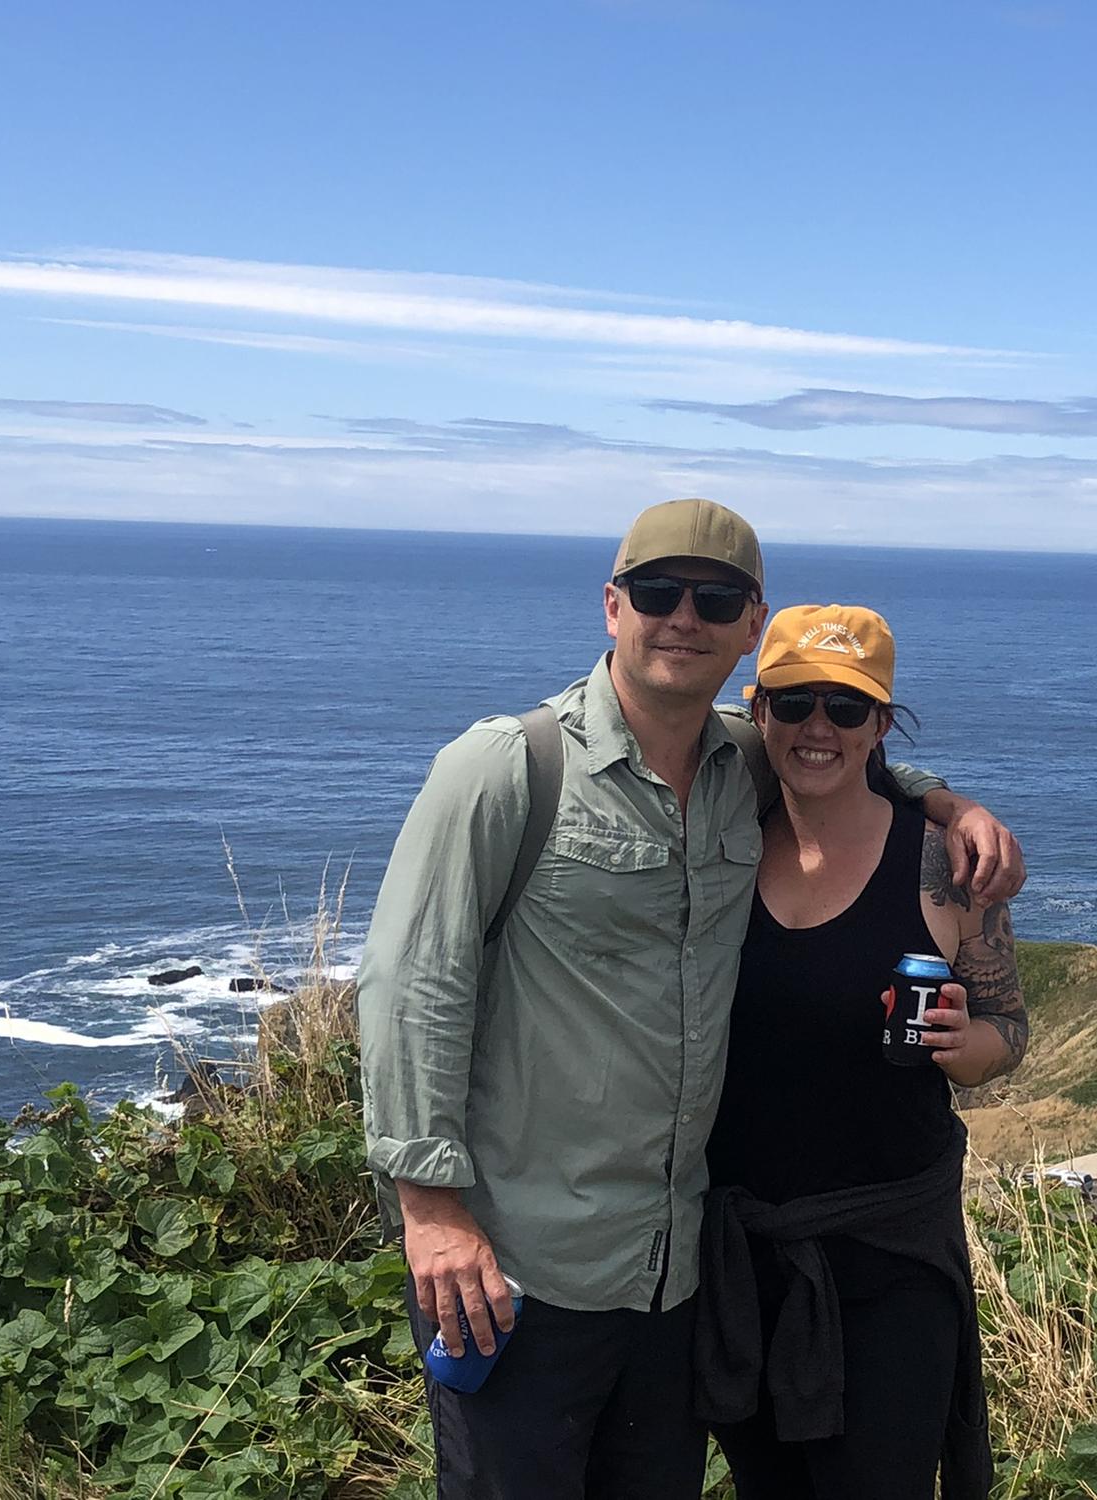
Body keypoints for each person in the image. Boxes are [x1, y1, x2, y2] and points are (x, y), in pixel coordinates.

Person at [355, 500, 1024, 1500]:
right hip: (525, 1264)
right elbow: (413, 985)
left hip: (679, 1276)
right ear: (611, 605)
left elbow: (846, 759)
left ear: (747, 626)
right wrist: (431, 1211)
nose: (683, 617)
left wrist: (951, 804)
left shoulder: (735, 765)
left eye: (714, 600)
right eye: (658, 593)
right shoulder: (505, 768)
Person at [696, 604, 1027, 1500]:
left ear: (881, 724)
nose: (818, 728)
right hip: (741, 1257)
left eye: (847, 709)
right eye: (795, 701)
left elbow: (1011, 1032)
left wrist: (965, 1048)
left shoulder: (946, 868)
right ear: (755, 708)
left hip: (892, 1260)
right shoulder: (718, 839)